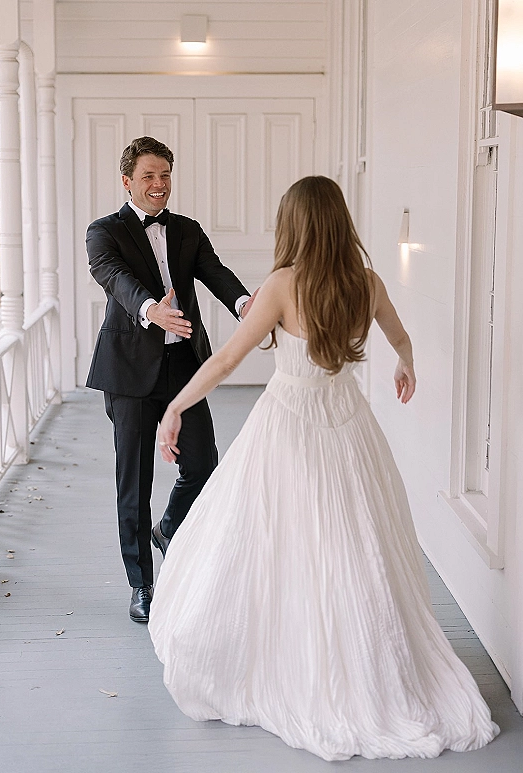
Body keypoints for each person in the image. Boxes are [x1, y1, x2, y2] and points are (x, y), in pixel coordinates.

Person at [148, 176, 499, 761]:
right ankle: (361, 655)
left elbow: (230, 358)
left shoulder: (282, 286)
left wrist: (176, 404)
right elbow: (401, 338)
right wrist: (405, 365)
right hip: (350, 426)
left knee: (278, 542)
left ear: (295, 226)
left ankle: (296, 659)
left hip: (289, 423)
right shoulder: (367, 282)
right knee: (354, 544)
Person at [86, 136, 253, 624]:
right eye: (148, 177)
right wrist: (150, 310)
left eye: (164, 175)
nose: (159, 185)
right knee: (134, 482)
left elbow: (214, 272)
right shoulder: (104, 231)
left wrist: (245, 304)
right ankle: (142, 584)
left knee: (202, 465)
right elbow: (113, 277)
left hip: (184, 368)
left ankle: (169, 527)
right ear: (127, 181)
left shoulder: (186, 229)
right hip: (129, 370)